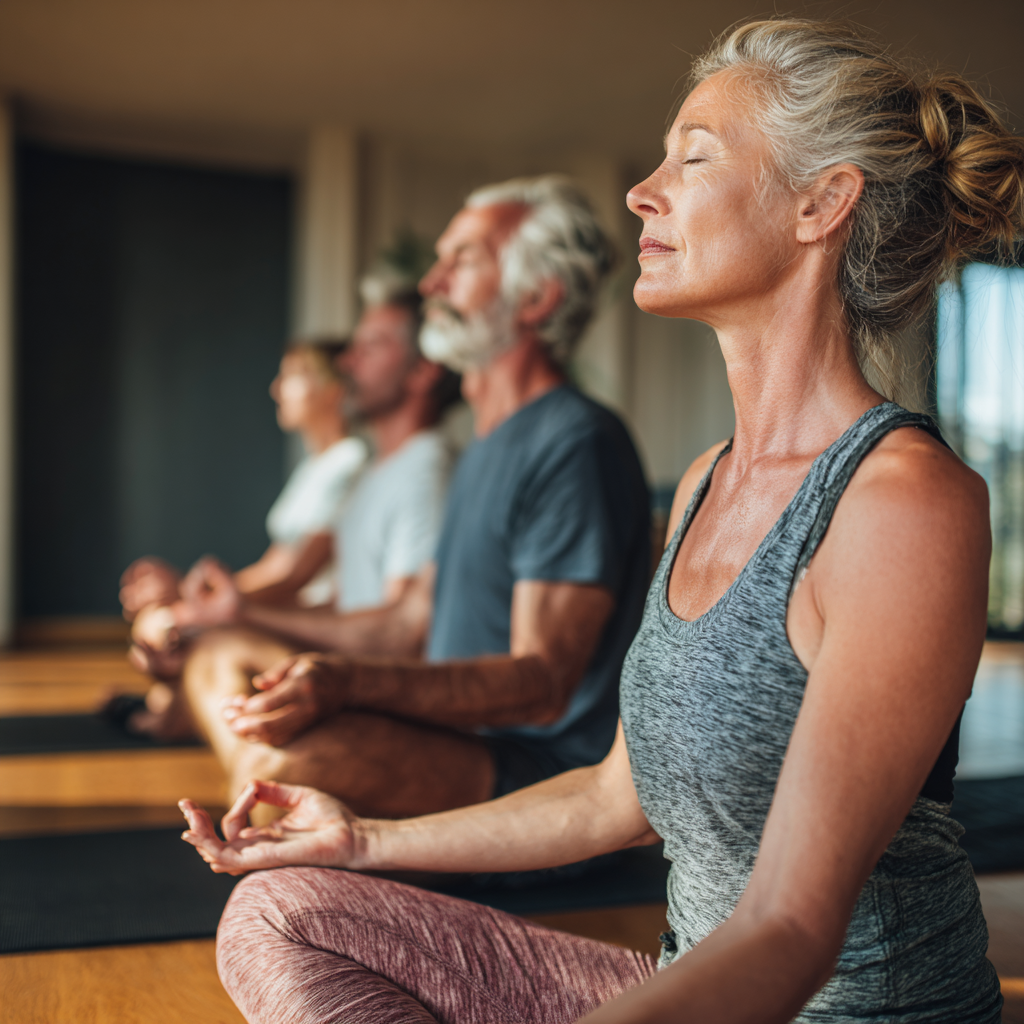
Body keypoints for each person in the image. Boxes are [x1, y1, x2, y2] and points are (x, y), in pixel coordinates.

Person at [181, 17, 1024, 1024]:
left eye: (693, 158)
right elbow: (611, 797)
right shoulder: (709, 479)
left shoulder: (903, 501)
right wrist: (361, 838)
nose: (641, 190)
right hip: (682, 986)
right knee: (281, 909)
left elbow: (791, 930)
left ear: (821, 203)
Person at [172, 175, 650, 818]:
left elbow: (541, 685)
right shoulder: (483, 445)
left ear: (536, 297)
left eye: (464, 261)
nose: (432, 283)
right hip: (450, 737)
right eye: (439, 262)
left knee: (277, 767)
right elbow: (406, 624)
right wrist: (291, 655)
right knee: (219, 657)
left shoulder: (575, 441)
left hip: (534, 775)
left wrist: (349, 683)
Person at [130, 289, 458, 740]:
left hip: (381, 697)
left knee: (220, 655)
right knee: (212, 649)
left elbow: (399, 637)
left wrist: (230, 615)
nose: (347, 363)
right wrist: (227, 613)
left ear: (423, 370)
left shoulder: (425, 472)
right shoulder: (382, 471)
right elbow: (348, 603)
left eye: (372, 346)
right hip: (345, 656)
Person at [114, 339, 366, 735]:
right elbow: (276, 564)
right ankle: (172, 708)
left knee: (165, 627)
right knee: (159, 624)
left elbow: (294, 575)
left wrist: (192, 606)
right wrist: (188, 595)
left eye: (294, 375)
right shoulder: (316, 468)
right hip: (289, 606)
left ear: (335, 390)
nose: (277, 388)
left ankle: (175, 715)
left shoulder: (349, 464)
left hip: (309, 618)